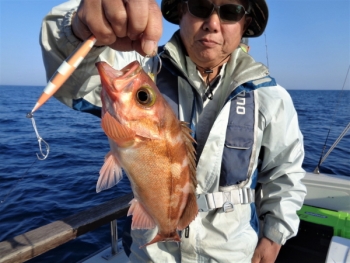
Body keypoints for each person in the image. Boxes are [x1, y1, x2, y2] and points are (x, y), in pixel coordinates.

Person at [40, 0, 307, 262]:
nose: (212, 24)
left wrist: (274, 236)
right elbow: (76, 81)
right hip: (150, 254)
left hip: (234, 253)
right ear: (181, 10)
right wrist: (79, 29)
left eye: (230, 11)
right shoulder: (145, 71)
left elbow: (285, 173)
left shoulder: (270, 97)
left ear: (245, 22)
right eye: (200, 7)